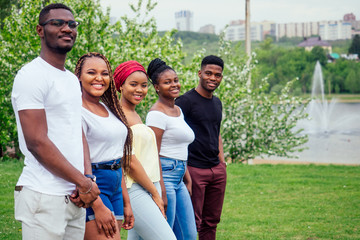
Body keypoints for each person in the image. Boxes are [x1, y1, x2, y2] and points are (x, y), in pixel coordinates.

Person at [11, 3, 100, 239]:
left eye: (72, 24)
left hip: (75, 196)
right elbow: (36, 142)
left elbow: (76, 131)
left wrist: (87, 179)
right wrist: (84, 183)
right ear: (40, 30)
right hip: (44, 196)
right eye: (57, 23)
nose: (67, 28)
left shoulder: (71, 79)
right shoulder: (31, 75)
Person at [113, 61, 176, 240]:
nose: (139, 90)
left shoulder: (134, 113)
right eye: (133, 84)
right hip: (134, 187)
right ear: (120, 85)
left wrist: (157, 187)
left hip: (150, 183)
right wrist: (155, 193)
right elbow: (129, 161)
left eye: (143, 85)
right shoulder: (118, 115)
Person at [74, 52, 134, 239]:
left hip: (116, 182)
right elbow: (76, 159)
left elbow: (116, 157)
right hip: (94, 185)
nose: (99, 78)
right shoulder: (76, 111)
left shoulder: (109, 108)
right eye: (91, 72)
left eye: (105, 73)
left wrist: (126, 202)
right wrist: (96, 204)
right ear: (79, 77)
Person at [175, 55, 227, 240]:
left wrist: (222, 162)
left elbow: (216, 131)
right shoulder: (185, 102)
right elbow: (173, 134)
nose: (213, 78)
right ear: (200, 73)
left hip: (216, 170)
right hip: (194, 170)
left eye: (217, 75)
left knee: (211, 222)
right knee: (192, 222)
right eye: (209, 73)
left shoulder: (217, 102)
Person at [145, 58, 197, 240]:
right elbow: (152, 154)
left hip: (179, 176)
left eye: (175, 80)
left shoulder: (177, 111)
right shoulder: (156, 115)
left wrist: (186, 175)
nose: (174, 85)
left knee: (189, 234)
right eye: (167, 82)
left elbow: (179, 147)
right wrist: (161, 190)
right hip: (164, 177)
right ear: (156, 87)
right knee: (165, 233)